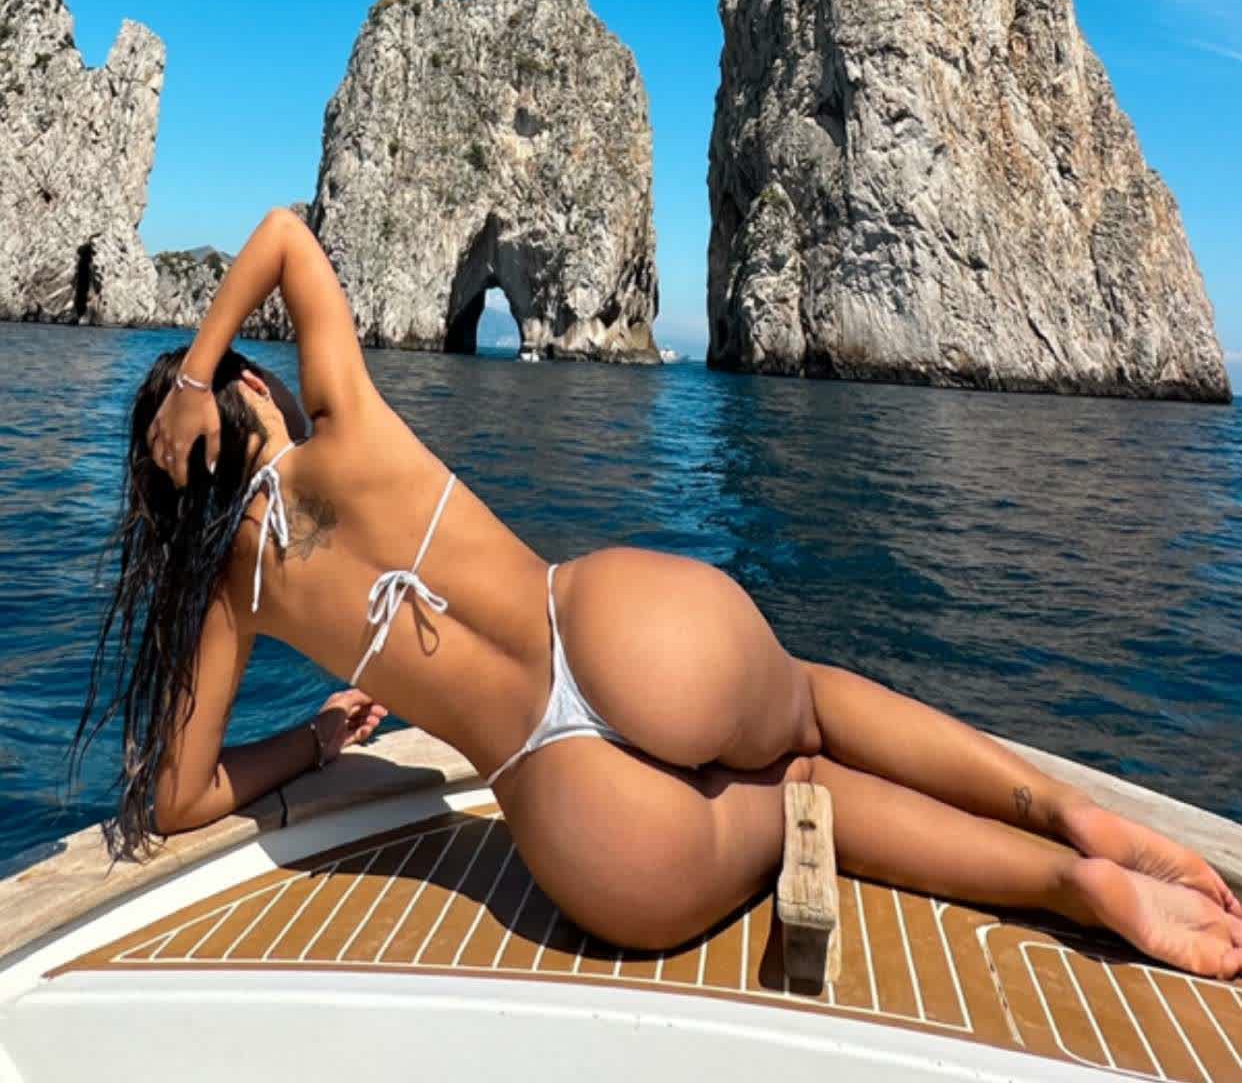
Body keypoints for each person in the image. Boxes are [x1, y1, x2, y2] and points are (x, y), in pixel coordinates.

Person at [76, 208, 1242, 979]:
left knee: (808, 795)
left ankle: (1070, 885)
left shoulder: (234, 596)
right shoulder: (345, 431)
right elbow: (285, 237)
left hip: (575, 818)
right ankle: (1064, 814)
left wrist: (317, 743)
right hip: (613, 626)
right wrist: (198, 366)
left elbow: (176, 798)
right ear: (255, 399)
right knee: (813, 710)